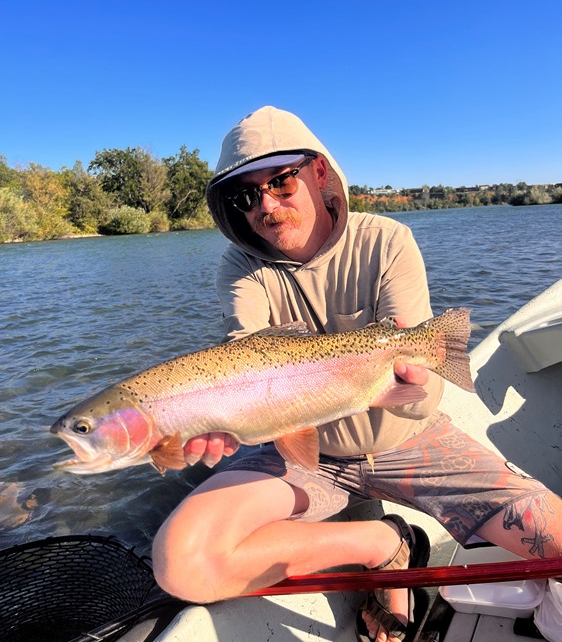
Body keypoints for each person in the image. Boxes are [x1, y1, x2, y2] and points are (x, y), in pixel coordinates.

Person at [152, 106, 562, 642]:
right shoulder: (240, 268)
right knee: (181, 563)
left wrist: (410, 382)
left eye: (281, 182)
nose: (267, 206)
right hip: (300, 451)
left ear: (319, 173)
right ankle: (384, 543)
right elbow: (243, 356)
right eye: (246, 196)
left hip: (410, 440)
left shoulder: (387, 240)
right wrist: (221, 417)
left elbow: (421, 390)